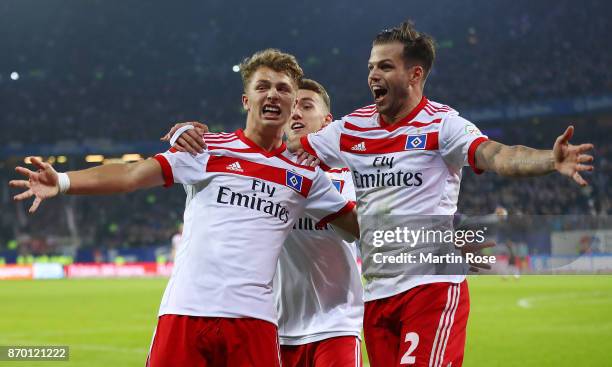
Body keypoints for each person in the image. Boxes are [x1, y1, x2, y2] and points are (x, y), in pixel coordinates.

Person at [162, 21, 594, 367]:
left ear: (415, 73)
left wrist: (547, 160)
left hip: (429, 284)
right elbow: (276, 146)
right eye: (371, 66)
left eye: (385, 66)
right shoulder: (351, 129)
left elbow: (498, 155)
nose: (373, 74)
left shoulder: (443, 126)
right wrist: (193, 134)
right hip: (378, 297)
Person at [9, 49, 359, 367]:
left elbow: (356, 225)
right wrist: (65, 181)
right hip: (186, 311)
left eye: (283, 89)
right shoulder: (204, 149)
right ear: (246, 99)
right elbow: (131, 174)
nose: (273, 94)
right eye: (263, 86)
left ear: (293, 101)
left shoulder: (305, 177)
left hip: (255, 322)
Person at [165, 78, 365, 367]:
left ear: (327, 121)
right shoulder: (262, 172)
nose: (296, 113)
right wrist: (186, 136)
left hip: (335, 324)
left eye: (307, 106)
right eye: (292, 106)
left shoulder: (348, 175)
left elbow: (359, 229)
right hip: (272, 326)